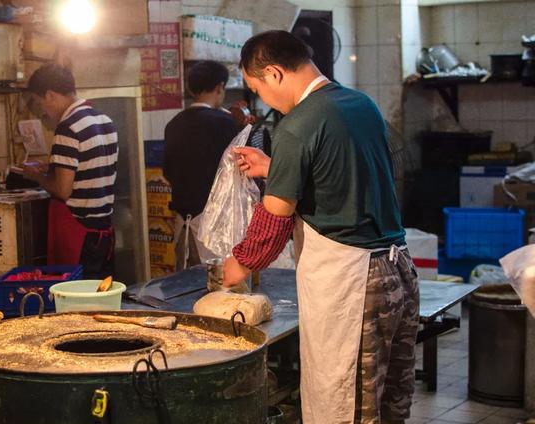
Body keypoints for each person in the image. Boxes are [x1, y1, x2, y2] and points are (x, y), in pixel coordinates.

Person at [222, 31, 419, 424]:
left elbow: (274, 220)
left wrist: (239, 263)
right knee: (388, 403)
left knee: (346, 406)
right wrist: (273, 167)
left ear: (274, 73)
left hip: (353, 284)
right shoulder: (359, 104)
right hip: (397, 271)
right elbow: (340, 171)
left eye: (257, 87)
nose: (261, 98)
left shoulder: (297, 124)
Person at [23, 63, 117, 279]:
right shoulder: (104, 120)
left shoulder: (68, 127)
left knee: (77, 304)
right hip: (104, 232)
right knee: (102, 298)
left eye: (40, 103)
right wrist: (51, 168)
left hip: (79, 235)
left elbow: (62, 189)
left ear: (50, 95)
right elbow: (91, 168)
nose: (44, 111)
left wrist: (36, 176)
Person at [163, 60, 240, 270]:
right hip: (217, 227)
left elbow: (167, 171)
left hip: (183, 224)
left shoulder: (174, 124)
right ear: (220, 87)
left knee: (186, 288)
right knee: (219, 291)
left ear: (190, 88)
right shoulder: (226, 124)